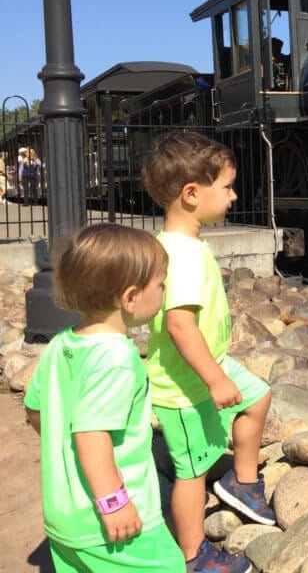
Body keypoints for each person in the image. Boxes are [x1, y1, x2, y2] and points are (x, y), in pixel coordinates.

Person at [141, 132, 274, 573]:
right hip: (184, 386)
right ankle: (193, 553)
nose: (234, 196)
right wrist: (215, 380)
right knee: (192, 471)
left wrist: (217, 371)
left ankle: (242, 482)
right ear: (192, 194)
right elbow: (179, 325)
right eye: (228, 187)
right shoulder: (180, 255)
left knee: (258, 397)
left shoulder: (183, 245)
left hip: (208, 364)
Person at [23, 223, 186, 573]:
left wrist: (63, 446)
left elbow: (35, 410)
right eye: (160, 284)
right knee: (168, 566)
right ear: (130, 298)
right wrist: (114, 502)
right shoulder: (117, 357)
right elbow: (90, 435)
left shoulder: (61, 344)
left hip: (65, 517)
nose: (164, 290)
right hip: (110, 519)